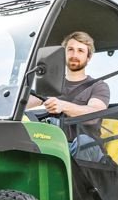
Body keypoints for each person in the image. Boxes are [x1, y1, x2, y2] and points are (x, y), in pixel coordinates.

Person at [28, 31, 110, 161]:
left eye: (80, 51)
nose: (74, 55)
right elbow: (25, 103)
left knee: (83, 142)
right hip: (58, 146)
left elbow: (94, 114)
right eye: (70, 50)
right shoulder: (50, 85)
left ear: (88, 57)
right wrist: (11, 94)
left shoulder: (98, 86)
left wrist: (63, 106)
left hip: (86, 150)